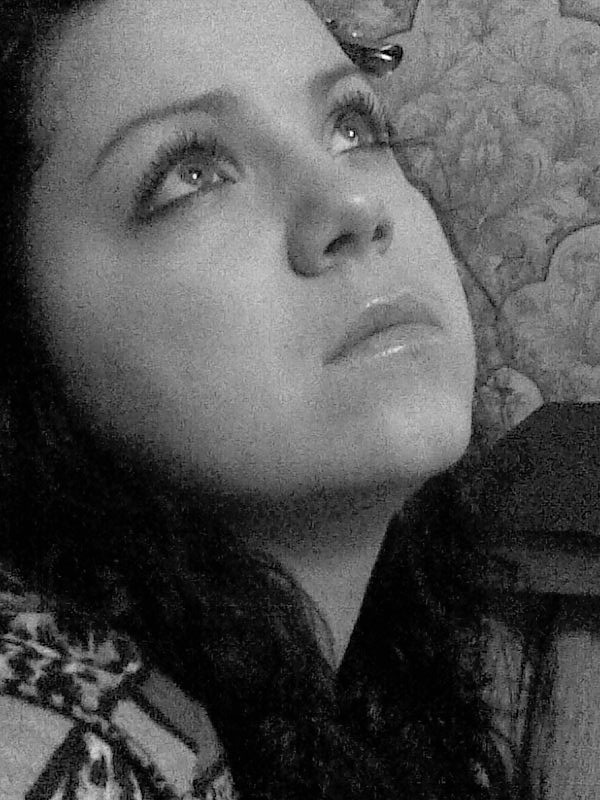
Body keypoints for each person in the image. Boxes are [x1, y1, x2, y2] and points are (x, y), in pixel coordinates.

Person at [0, 0, 511, 797]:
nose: (353, 207)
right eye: (190, 172)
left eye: (352, 127)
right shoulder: (48, 736)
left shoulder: (366, 684)